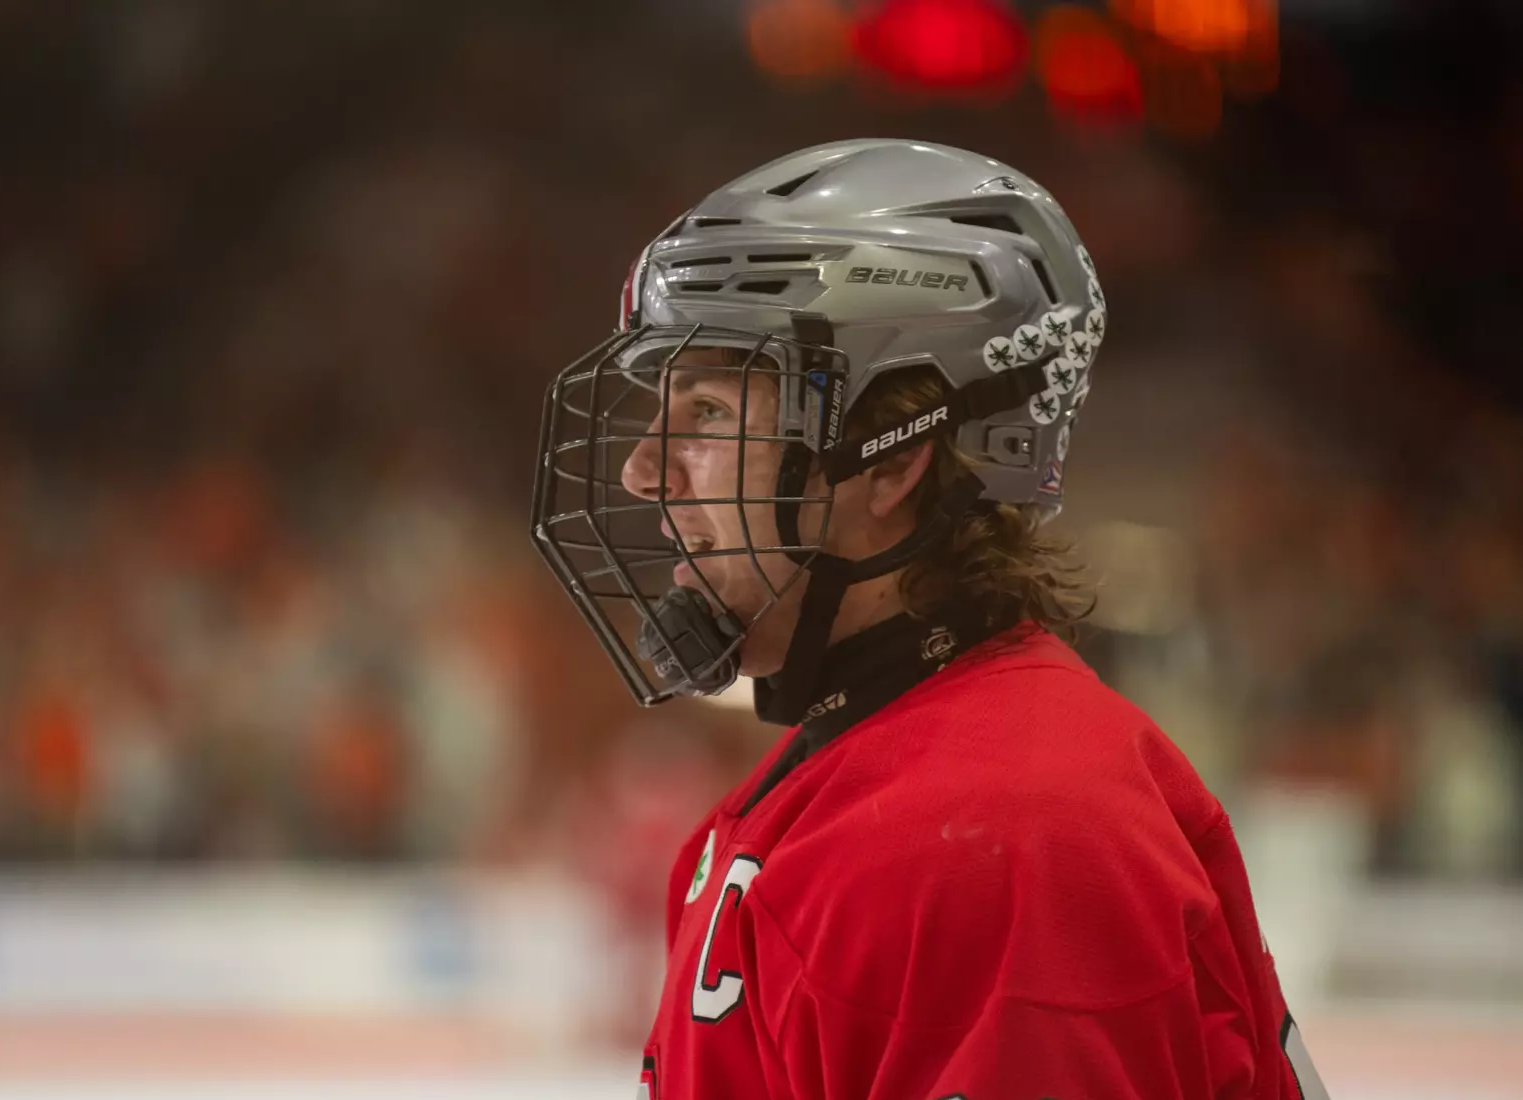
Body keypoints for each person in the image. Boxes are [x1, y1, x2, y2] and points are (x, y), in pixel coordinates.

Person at [531, 139, 1329, 1100]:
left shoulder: (1004, 833)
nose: (643, 471)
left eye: (705, 413)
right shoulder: (880, 772)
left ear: (888, 460)